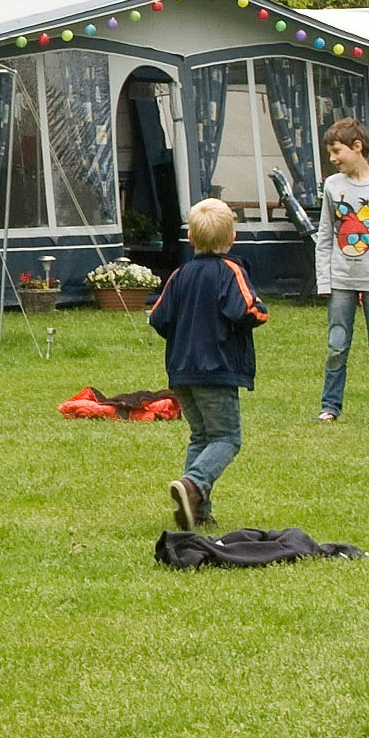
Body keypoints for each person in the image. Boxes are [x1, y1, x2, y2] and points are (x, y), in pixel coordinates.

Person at [147, 197, 266, 529]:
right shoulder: (231, 271)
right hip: (217, 369)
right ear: (232, 238)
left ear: (191, 239)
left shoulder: (180, 274)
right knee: (227, 438)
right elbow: (246, 310)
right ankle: (193, 484)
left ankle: (197, 513)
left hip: (181, 371)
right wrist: (263, 310)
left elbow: (158, 318)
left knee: (201, 437)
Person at [313, 119, 369, 424]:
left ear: (357, 147)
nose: (332, 158)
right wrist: (324, 280)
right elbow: (325, 236)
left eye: (337, 151)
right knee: (336, 345)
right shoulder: (332, 186)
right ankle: (330, 406)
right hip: (341, 280)